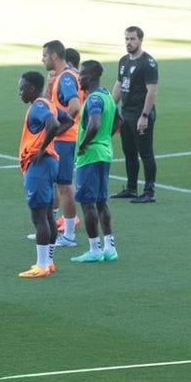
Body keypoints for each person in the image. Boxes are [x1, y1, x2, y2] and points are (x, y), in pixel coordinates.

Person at [70, 61, 122, 264]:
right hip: (105, 153)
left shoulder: (92, 99)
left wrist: (83, 144)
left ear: (90, 77)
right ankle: (110, 248)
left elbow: (94, 123)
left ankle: (94, 249)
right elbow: (120, 120)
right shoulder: (108, 95)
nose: (79, 78)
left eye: (81, 74)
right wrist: (105, 138)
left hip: (90, 156)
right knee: (101, 202)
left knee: (87, 203)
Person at [17, 70, 67, 279]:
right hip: (50, 162)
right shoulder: (49, 104)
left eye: (22, 88)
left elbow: (54, 125)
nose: (19, 93)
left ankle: (41, 265)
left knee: (39, 216)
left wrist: (41, 148)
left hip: (39, 165)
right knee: (47, 215)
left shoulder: (38, 106)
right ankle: (49, 262)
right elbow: (68, 121)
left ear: (33, 89)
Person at [110, 26, 159, 203]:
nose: (128, 42)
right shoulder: (123, 61)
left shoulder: (148, 63)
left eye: (132, 39)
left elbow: (152, 90)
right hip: (126, 115)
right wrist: (109, 106)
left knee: (145, 153)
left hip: (140, 115)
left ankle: (149, 192)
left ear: (140, 40)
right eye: (126, 39)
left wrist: (144, 116)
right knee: (129, 152)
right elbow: (119, 85)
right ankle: (131, 188)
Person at [42, 40, 82, 246]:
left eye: (45, 56)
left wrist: (60, 127)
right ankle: (52, 227)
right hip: (64, 138)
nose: (43, 59)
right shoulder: (64, 76)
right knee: (58, 184)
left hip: (66, 139)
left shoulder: (66, 77)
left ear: (55, 56)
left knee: (65, 186)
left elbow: (75, 105)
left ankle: (68, 235)